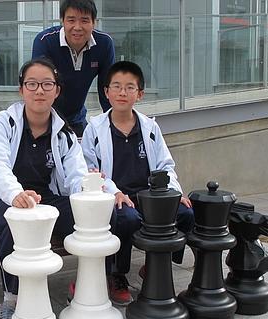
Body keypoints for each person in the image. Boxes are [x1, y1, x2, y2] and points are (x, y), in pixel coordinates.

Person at [0, 57, 87, 319]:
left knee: (87, 219)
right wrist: (15, 195)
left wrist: (89, 191)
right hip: (7, 199)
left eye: (47, 84)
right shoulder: (3, 123)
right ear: (21, 89)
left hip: (45, 199)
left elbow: (76, 175)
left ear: (57, 90)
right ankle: (11, 299)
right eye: (32, 84)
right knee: (13, 223)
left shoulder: (64, 133)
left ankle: (87, 289)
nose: (39, 91)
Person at [81, 61, 195, 305]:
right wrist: (115, 192)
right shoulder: (95, 129)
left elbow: (165, 165)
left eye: (130, 87)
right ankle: (117, 275)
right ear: (106, 92)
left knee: (185, 213)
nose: (123, 92)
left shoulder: (150, 127)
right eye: (117, 86)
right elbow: (91, 172)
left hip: (149, 196)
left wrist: (175, 193)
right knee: (127, 218)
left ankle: (155, 264)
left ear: (139, 94)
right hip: (117, 197)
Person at [32, 0, 115, 137]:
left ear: (94, 22)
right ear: (62, 21)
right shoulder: (44, 41)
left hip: (77, 119)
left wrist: (113, 126)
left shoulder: (104, 44)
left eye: (84, 20)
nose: (77, 27)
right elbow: (39, 86)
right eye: (71, 20)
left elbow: (108, 90)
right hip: (45, 119)